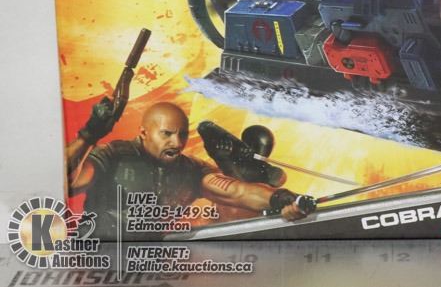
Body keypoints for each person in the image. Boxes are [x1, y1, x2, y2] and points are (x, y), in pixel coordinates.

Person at [66, 101, 313, 238]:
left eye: (182, 135)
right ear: (143, 132)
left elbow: (236, 192)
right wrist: (88, 136)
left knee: (235, 210)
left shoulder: (191, 169)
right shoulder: (114, 155)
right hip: (96, 258)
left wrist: (282, 199)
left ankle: (238, 167)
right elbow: (69, 183)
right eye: (167, 134)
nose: (177, 143)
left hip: (149, 264)